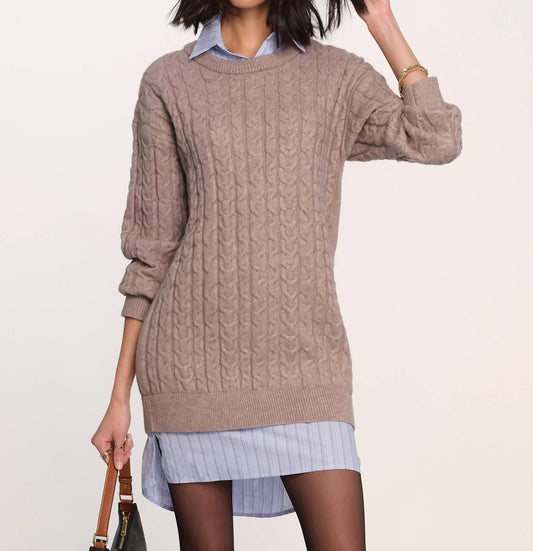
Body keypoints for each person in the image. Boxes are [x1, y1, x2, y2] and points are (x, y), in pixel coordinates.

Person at [91, 0, 462, 549]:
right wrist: (119, 398)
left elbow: (435, 137)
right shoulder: (169, 82)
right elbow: (152, 251)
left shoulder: (333, 76)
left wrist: (380, 18)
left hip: (306, 368)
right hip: (191, 374)